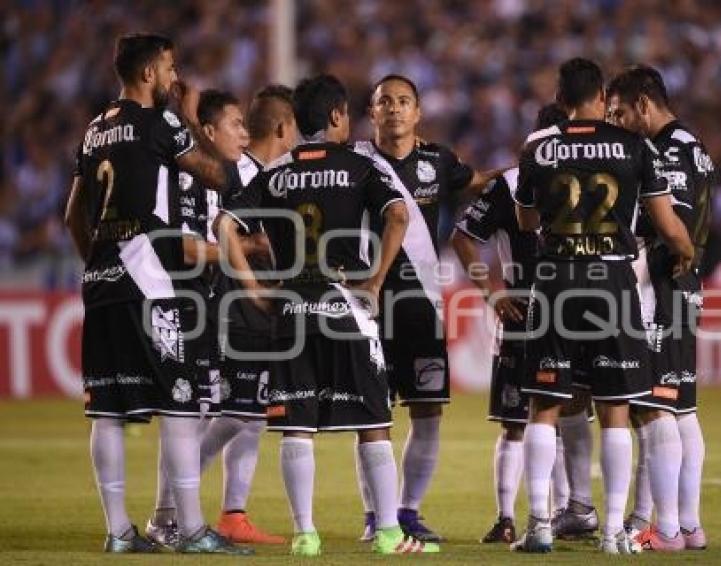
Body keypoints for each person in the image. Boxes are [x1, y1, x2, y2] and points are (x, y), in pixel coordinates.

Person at [216, 74, 440, 556]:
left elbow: (224, 224)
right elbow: (398, 214)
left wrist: (253, 286)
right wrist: (377, 280)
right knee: (373, 420)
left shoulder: (274, 173)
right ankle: (387, 533)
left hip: (291, 307)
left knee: (296, 422)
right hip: (345, 302)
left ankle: (304, 534)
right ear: (338, 115)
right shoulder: (358, 167)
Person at [64, 33, 250, 554]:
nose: (174, 77)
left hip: (101, 279)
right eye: (169, 68)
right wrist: (197, 126)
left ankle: (119, 532)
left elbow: (72, 213)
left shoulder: (94, 129)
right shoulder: (162, 122)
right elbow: (217, 176)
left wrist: (100, 261)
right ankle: (190, 530)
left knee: (108, 409)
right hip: (151, 280)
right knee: (181, 402)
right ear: (149, 74)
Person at [510, 57, 694, 555]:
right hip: (612, 282)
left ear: (560, 95)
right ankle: (615, 531)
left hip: (555, 280)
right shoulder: (635, 146)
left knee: (544, 406)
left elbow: (526, 222)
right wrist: (686, 252)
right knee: (616, 410)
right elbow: (669, 224)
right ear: (599, 96)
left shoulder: (538, 147)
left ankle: (541, 524)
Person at [353, 74, 502, 542]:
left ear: (417, 112)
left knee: (427, 410)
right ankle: (378, 516)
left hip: (420, 303)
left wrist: (520, 172)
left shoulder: (439, 161)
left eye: (403, 101)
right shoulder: (356, 161)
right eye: (384, 102)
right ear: (371, 112)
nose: (394, 109)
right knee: (372, 417)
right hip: (367, 302)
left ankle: (408, 510)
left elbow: (476, 182)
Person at [145, 87, 293, 546]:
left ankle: (205, 514)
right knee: (202, 412)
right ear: (208, 132)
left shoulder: (233, 174)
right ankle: (169, 515)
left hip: (214, 303)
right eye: (235, 125)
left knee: (236, 413)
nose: (244, 134)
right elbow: (189, 246)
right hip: (203, 305)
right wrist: (249, 248)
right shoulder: (199, 179)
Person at [451, 103, 578, 544]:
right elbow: (464, 236)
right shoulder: (510, 182)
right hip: (527, 310)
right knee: (522, 419)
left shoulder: (546, 174)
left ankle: (564, 511)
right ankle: (508, 517)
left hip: (569, 309)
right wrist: (493, 292)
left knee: (558, 416)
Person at [607, 64, 713, 552]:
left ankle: (666, 530)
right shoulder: (695, 146)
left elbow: (677, 229)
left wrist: (634, 272)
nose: (617, 121)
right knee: (684, 410)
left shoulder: (666, 150)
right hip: (686, 287)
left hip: (663, 287)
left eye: (620, 112)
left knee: (655, 409)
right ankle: (689, 526)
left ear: (644, 105)